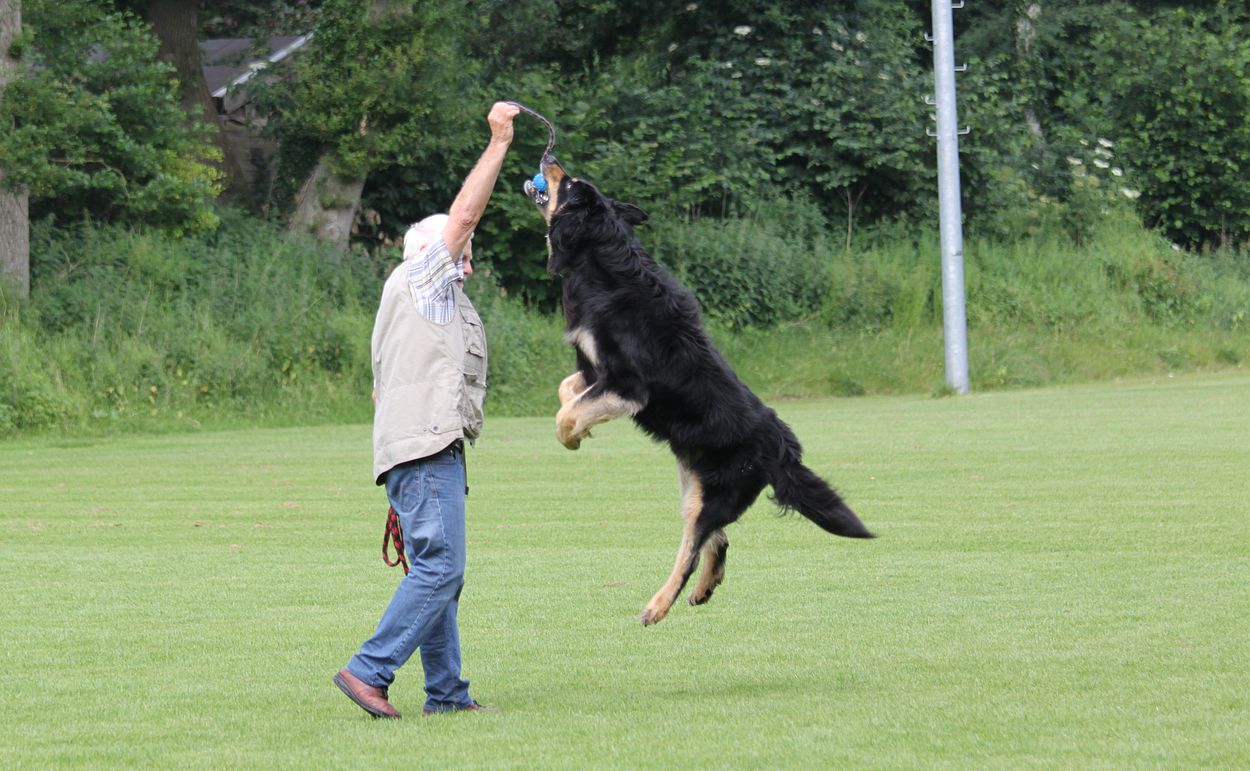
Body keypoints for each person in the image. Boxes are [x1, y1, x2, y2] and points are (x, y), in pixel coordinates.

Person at [334, 101, 521, 719]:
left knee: (440, 575)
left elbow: (379, 393)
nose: (466, 264)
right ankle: (369, 670)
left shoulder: (408, 307)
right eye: (459, 254)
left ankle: (447, 694)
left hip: (415, 452)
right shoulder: (422, 278)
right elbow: (464, 216)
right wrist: (499, 142)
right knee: (441, 569)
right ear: (427, 254)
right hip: (425, 449)